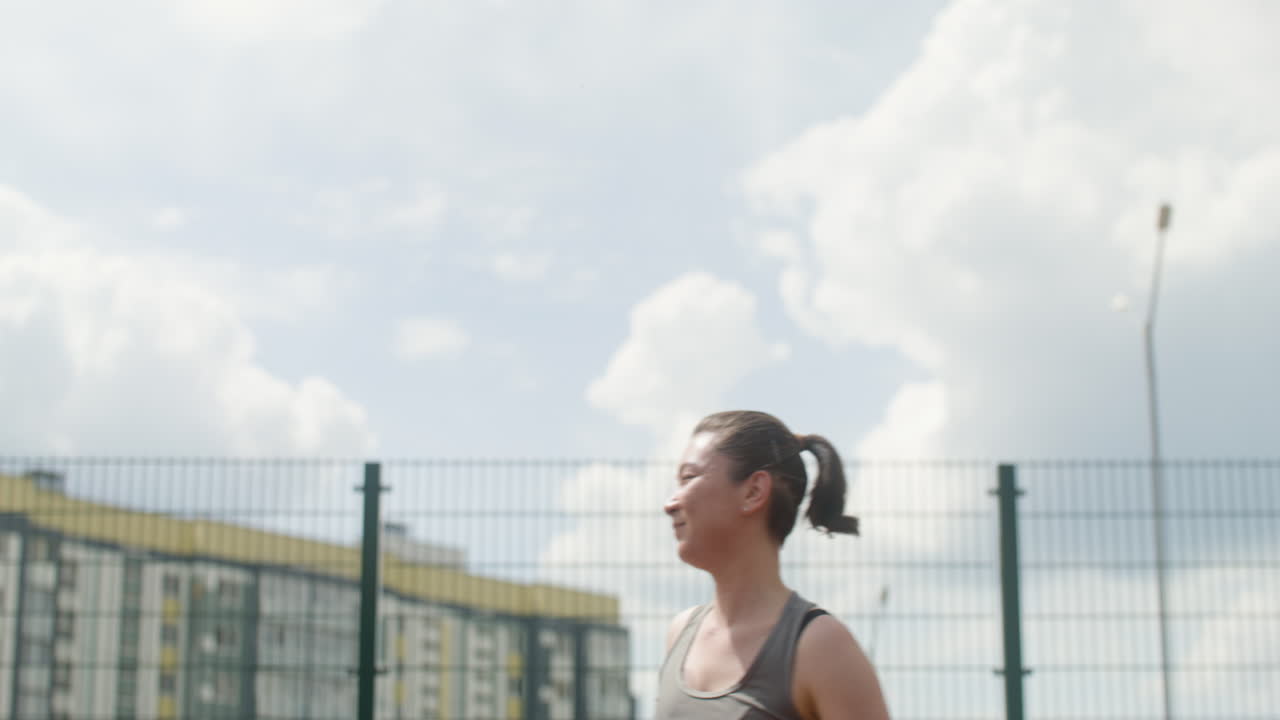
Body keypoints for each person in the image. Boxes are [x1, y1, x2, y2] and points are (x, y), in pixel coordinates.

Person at [655, 410, 890, 719]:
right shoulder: (680, 633)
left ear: (753, 491)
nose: (670, 503)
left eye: (689, 477)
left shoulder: (821, 646)